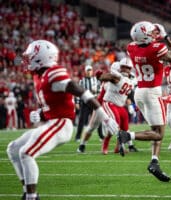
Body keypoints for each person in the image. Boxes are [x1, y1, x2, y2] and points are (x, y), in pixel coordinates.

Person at [6, 40, 118, 200]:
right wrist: (40, 113)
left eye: (30, 56)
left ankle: (32, 197)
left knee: (26, 153)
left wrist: (105, 118)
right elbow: (55, 103)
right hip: (53, 121)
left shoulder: (53, 73)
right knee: (13, 149)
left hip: (62, 124)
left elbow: (83, 93)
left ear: (41, 57)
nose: (27, 60)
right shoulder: (39, 75)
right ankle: (27, 192)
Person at [118, 21, 171, 182]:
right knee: (159, 134)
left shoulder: (132, 47)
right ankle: (127, 135)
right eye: (152, 32)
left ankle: (155, 162)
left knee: (155, 130)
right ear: (145, 35)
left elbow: (145, 46)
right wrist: (166, 38)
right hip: (152, 92)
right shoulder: (157, 48)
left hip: (139, 92)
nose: (155, 34)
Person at [77, 58, 138, 154]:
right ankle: (82, 145)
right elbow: (107, 80)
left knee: (121, 125)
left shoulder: (125, 80)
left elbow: (124, 94)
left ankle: (126, 145)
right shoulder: (111, 81)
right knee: (93, 127)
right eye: (122, 69)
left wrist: (130, 105)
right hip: (101, 106)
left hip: (115, 105)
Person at [74, 64, 101, 142]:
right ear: (85, 72)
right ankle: (78, 137)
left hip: (94, 102)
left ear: (92, 71)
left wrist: (97, 92)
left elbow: (100, 91)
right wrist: (77, 102)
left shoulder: (96, 80)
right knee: (81, 120)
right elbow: (78, 92)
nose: (89, 72)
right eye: (88, 70)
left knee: (98, 119)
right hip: (85, 103)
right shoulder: (81, 81)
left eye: (90, 70)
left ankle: (101, 136)